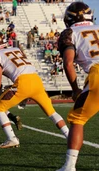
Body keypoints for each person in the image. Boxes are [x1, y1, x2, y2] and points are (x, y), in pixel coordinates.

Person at [0, 30, 69, 148]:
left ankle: (12, 138)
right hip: (36, 80)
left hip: (23, 83)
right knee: (51, 112)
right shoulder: (16, 49)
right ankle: (69, 135)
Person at [57, 2, 99, 171]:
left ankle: (69, 166)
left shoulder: (70, 33)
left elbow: (68, 63)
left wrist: (75, 89)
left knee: (77, 119)